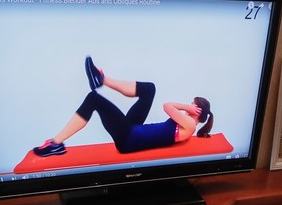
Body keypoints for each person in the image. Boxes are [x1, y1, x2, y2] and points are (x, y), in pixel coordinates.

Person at [32, 57, 214, 157]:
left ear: (197, 110)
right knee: (150, 89)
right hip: (134, 130)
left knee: (93, 98)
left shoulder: (190, 125)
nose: (189, 106)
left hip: (128, 138)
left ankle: (56, 144)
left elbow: (167, 106)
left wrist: (186, 107)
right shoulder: (187, 124)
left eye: (192, 104)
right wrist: (188, 108)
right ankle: (102, 79)